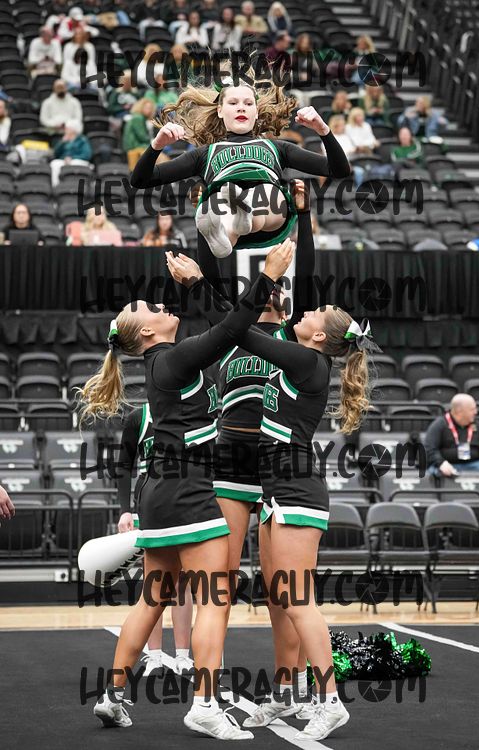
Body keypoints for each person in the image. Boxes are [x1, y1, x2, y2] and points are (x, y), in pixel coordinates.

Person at [80, 240, 293, 738]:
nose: (162, 304)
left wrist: (201, 278)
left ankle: (112, 696)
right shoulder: (172, 361)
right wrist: (267, 274)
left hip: (161, 493)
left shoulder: (167, 361)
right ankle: (204, 704)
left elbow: (223, 330)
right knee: (214, 596)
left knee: (152, 598)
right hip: (187, 491)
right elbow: (232, 329)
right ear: (147, 332)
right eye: (152, 307)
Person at [173, 247, 380, 741]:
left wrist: (200, 284)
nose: (305, 310)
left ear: (319, 336)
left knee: (297, 597)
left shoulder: (307, 361)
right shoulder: (303, 355)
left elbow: (238, 331)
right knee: (278, 597)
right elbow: (239, 327)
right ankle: (287, 694)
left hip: (295, 488)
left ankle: (330, 700)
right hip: (276, 489)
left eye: (315, 312)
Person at [168, 181, 322, 724]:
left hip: (279, 469)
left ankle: (288, 688)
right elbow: (213, 264)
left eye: (280, 288)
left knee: (283, 590)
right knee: (221, 583)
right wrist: (205, 216)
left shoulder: (295, 339)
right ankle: (207, 694)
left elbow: (304, 265)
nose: (275, 293)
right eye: (266, 288)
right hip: (232, 463)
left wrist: (303, 214)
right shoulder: (232, 330)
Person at [131, 74, 351, 258]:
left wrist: (323, 130)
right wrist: (157, 145)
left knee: (265, 191)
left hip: (269, 212)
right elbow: (140, 180)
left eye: (248, 103)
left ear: (256, 111)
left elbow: (339, 170)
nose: (241, 108)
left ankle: (244, 216)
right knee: (218, 202)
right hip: (227, 210)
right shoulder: (205, 154)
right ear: (219, 110)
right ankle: (226, 233)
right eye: (233, 103)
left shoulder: (277, 147)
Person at [116, 403, 194, 676]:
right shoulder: (139, 417)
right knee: (155, 583)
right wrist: (124, 509)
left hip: (184, 501)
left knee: (183, 582)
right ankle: (155, 655)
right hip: (149, 504)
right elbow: (124, 465)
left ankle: (183, 656)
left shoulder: (189, 410)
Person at [425, 394, 479, 476]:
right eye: (472, 409)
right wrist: (440, 463)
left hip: (474, 465)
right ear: (459, 411)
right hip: (448, 465)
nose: (476, 412)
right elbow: (429, 449)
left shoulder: (477, 425)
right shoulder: (439, 425)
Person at [50, 120, 92, 187]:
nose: (65, 130)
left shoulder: (82, 140)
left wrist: (72, 158)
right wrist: (62, 142)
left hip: (78, 160)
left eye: (67, 128)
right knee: (54, 163)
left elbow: (87, 155)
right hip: (64, 160)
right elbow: (56, 154)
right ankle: (56, 186)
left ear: (73, 130)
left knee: (75, 162)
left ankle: (76, 185)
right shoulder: (64, 140)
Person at [123, 98, 157, 170]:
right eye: (147, 108)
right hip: (134, 146)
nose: (149, 110)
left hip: (136, 145)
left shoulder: (139, 117)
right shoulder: (138, 118)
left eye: (150, 108)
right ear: (141, 107)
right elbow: (142, 136)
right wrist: (153, 141)